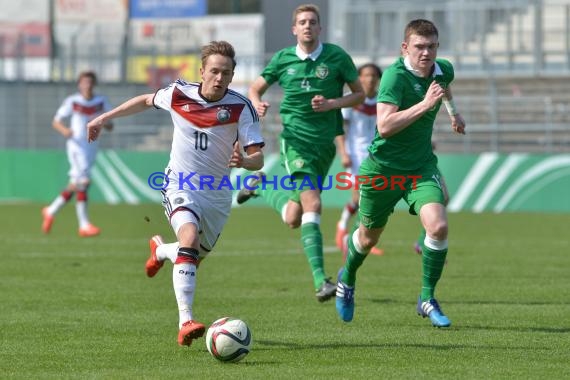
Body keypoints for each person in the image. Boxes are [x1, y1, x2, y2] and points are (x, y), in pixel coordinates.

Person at [87, 41, 264, 346]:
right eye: (214, 71)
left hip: (217, 194)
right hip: (180, 183)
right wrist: (105, 118)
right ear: (202, 71)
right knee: (190, 239)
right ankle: (186, 320)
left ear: (233, 75)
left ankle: (159, 250)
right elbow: (145, 100)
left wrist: (244, 161)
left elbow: (257, 157)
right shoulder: (179, 93)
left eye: (225, 72)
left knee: (192, 255)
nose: (219, 78)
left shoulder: (240, 107)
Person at [335, 19, 466, 327]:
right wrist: (425, 104)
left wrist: (453, 113)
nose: (426, 53)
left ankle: (427, 298)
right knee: (367, 240)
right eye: (419, 47)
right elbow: (385, 126)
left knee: (438, 226)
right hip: (382, 170)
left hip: (420, 167)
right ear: (405, 48)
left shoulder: (443, 68)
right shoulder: (394, 77)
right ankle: (348, 276)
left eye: (432, 47)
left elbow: (443, 88)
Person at [237, 3, 364, 302]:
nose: (307, 26)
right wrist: (256, 103)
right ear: (294, 29)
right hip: (294, 141)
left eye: (312, 22)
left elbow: (359, 95)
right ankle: (321, 280)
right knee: (314, 204)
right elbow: (255, 89)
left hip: (325, 145)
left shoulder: (337, 57)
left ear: (320, 28)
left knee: (294, 217)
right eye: (302, 22)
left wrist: (332, 104)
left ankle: (260, 187)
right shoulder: (283, 59)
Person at [41, 71, 113, 237]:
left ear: (94, 84)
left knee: (76, 184)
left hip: (91, 147)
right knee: (83, 182)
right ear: (79, 84)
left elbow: (111, 125)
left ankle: (51, 210)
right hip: (76, 146)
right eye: (84, 82)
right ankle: (84, 225)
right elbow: (56, 121)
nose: (87, 85)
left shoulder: (101, 102)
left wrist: (104, 124)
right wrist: (65, 131)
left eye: (90, 82)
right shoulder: (73, 101)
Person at [335, 63, 384, 258]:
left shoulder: (383, 99)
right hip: (355, 155)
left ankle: (351, 231)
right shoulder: (353, 99)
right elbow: (340, 128)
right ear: (359, 78)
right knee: (361, 198)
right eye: (366, 75)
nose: (370, 79)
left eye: (373, 75)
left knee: (370, 199)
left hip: (377, 156)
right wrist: (343, 153)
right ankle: (350, 232)